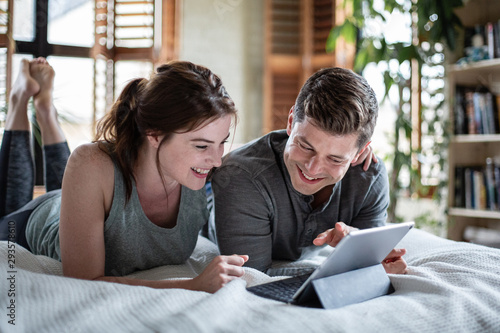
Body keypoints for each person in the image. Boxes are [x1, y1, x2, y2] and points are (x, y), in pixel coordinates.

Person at [0, 58, 248, 292]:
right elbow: (84, 282)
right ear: (155, 134)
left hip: (84, 197)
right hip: (33, 219)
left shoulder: (199, 175)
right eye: (202, 146)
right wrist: (192, 285)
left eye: (222, 142)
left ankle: (45, 108)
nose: (217, 161)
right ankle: (20, 98)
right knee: (17, 191)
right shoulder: (92, 163)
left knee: (71, 177)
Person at [210, 67, 407, 275]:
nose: (313, 169)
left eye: (335, 158)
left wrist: (360, 246)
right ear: (290, 121)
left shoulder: (369, 177)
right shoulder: (239, 176)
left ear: (359, 153)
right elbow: (252, 276)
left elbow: (367, 265)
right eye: (305, 146)